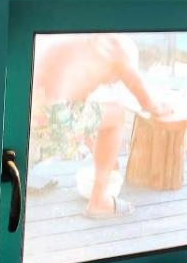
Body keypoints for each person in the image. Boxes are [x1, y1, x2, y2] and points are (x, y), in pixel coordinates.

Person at [30, 34, 170, 218]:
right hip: (53, 118)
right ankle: (99, 201)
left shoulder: (80, 42)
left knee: (98, 115)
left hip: (24, 119)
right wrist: (162, 109)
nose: (111, 83)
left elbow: (78, 111)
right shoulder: (115, 47)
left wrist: (97, 149)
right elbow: (145, 98)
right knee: (117, 114)